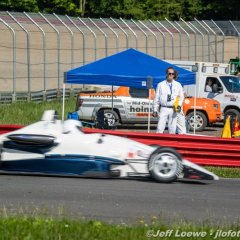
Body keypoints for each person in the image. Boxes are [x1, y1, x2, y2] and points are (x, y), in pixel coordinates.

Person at [153, 67, 184, 134]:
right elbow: (156, 98)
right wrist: (155, 109)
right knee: (160, 127)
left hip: (173, 109)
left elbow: (181, 97)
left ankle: (171, 143)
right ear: (166, 74)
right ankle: (157, 142)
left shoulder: (178, 85)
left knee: (172, 129)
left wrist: (178, 106)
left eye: (172, 74)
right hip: (164, 108)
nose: (171, 75)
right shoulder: (161, 85)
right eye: (169, 73)